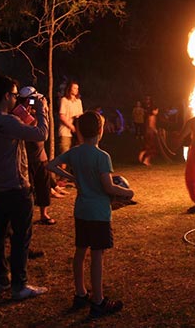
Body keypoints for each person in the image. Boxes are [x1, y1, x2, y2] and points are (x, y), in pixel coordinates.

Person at [47, 111, 134, 319]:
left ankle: (80, 293)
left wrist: (72, 177)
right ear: (100, 131)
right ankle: (98, 302)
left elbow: (51, 165)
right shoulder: (102, 157)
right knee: (96, 256)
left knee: (80, 252)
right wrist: (128, 193)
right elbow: (108, 186)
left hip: (81, 211)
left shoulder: (75, 152)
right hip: (98, 214)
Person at [0, 75, 49, 300]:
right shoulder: (8, 122)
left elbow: (19, 129)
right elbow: (41, 134)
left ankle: (1, 278)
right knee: (21, 237)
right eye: (14, 95)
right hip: (17, 187)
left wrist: (23, 116)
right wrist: (42, 109)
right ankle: (19, 286)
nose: (16, 99)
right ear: (6, 95)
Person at [18, 87, 58, 224]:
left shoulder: (34, 111)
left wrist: (42, 111)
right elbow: (36, 128)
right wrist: (41, 112)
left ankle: (43, 214)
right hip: (28, 158)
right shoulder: (19, 112)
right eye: (34, 99)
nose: (37, 102)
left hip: (41, 156)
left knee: (44, 187)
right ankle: (25, 216)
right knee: (28, 189)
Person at [58, 80, 83, 156]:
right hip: (65, 132)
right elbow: (62, 116)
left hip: (77, 133)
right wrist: (72, 127)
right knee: (64, 154)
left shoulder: (78, 101)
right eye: (74, 88)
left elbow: (80, 115)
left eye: (77, 88)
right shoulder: (64, 100)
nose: (76, 90)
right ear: (70, 89)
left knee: (76, 155)